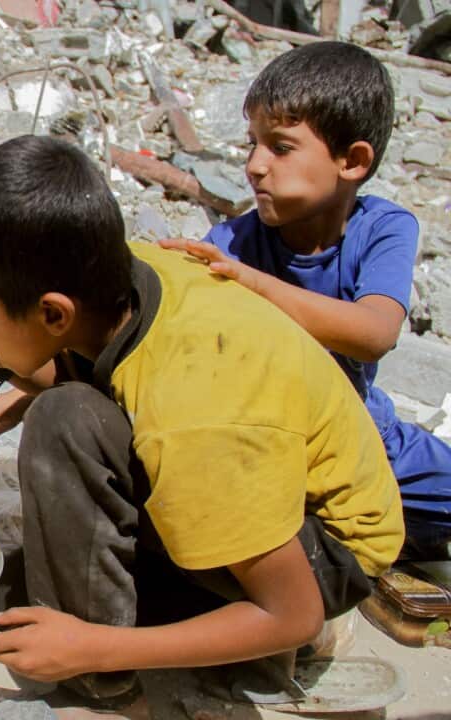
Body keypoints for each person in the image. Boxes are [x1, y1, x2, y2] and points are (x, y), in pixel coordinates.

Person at [0, 135, 403, 702]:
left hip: (325, 550)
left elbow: (292, 614)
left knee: (62, 421)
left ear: (52, 312)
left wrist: (92, 646)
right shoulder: (120, 273)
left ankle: (104, 691)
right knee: (65, 428)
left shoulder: (193, 415)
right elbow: (90, 367)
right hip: (251, 478)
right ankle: (198, 615)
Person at [162, 41, 450, 560]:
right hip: (270, 444)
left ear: (352, 161)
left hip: (362, 435)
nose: (255, 165)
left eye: (281, 147)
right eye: (252, 144)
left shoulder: (382, 228)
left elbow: (374, 334)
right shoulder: (232, 243)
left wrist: (253, 285)